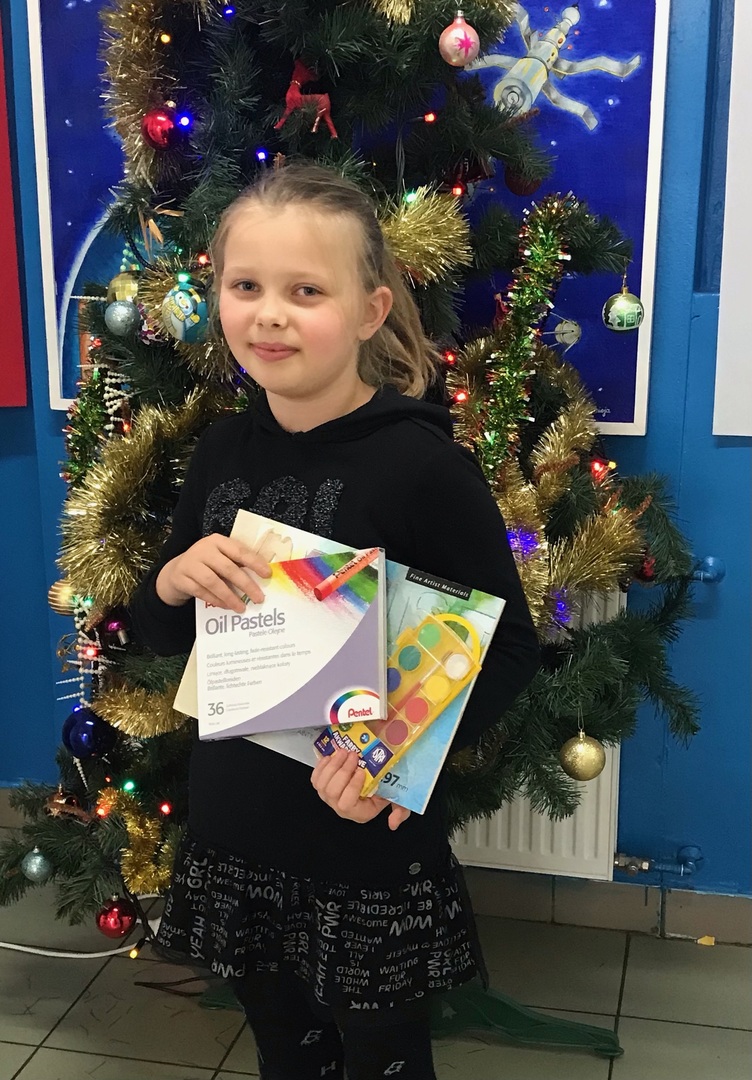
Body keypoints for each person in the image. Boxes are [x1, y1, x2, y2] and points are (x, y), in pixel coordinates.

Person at [130, 162, 540, 1080]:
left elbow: (509, 646)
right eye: (246, 286)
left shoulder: (421, 466)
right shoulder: (220, 452)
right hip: (236, 832)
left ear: (369, 311)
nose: (269, 315)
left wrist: (393, 757)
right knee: (286, 1051)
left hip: (359, 846)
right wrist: (172, 584)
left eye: (305, 291)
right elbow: (162, 636)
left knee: (384, 1058)